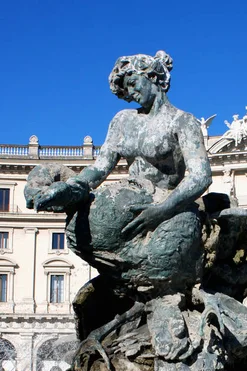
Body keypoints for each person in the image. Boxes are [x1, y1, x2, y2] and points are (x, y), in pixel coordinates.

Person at [25, 50, 212, 295]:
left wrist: (160, 211)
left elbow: (200, 176)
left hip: (169, 206)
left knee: (164, 260)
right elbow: (99, 169)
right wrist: (71, 189)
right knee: (79, 231)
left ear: (153, 76)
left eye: (133, 83)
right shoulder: (122, 121)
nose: (131, 94)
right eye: (126, 90)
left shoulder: (182, 121)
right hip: (132, 200)